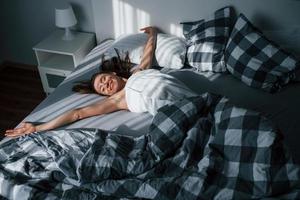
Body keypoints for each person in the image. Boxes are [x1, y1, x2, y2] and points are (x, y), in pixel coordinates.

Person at [5, 27, 196, 138]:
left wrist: (153, 33)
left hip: (191, 96)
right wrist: (37, 128)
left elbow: (148, 51)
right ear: (107, 95)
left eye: (104, 79)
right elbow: (77, 113)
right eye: (102, 89)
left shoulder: (140, 71)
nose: (105, 85)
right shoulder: (117, 100)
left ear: (113, 74)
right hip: (180, 111)